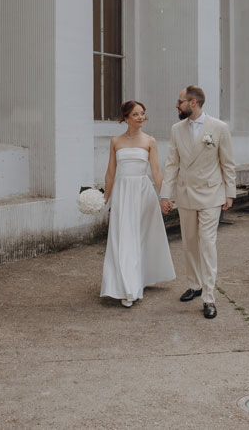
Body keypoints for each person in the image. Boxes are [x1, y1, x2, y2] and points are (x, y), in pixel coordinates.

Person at [159, 86, 236, 319]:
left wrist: (230, 193)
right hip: (185, 194)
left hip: (211, 194)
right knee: (189, 243)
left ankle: (209, 297)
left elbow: (228, 163)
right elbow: (172, 163)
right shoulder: (177, 129)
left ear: (193, 102)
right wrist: (165, 194)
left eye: (180, 101)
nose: (177, 105)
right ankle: (195, 285)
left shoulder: (219, 128)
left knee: (207, 243)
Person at [100, 100, 175, 308]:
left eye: (142, 113)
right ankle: (126, 286)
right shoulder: (115, 141)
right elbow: (110, 172)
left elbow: (156, 172)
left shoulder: (150, 141)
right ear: (126, 118)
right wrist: (104, 198)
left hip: (143, 193)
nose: (141, 117)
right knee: (123, 238)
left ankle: (135, 283)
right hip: (123, 193)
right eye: (135, 114)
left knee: (139, 238)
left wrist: (164, 196)